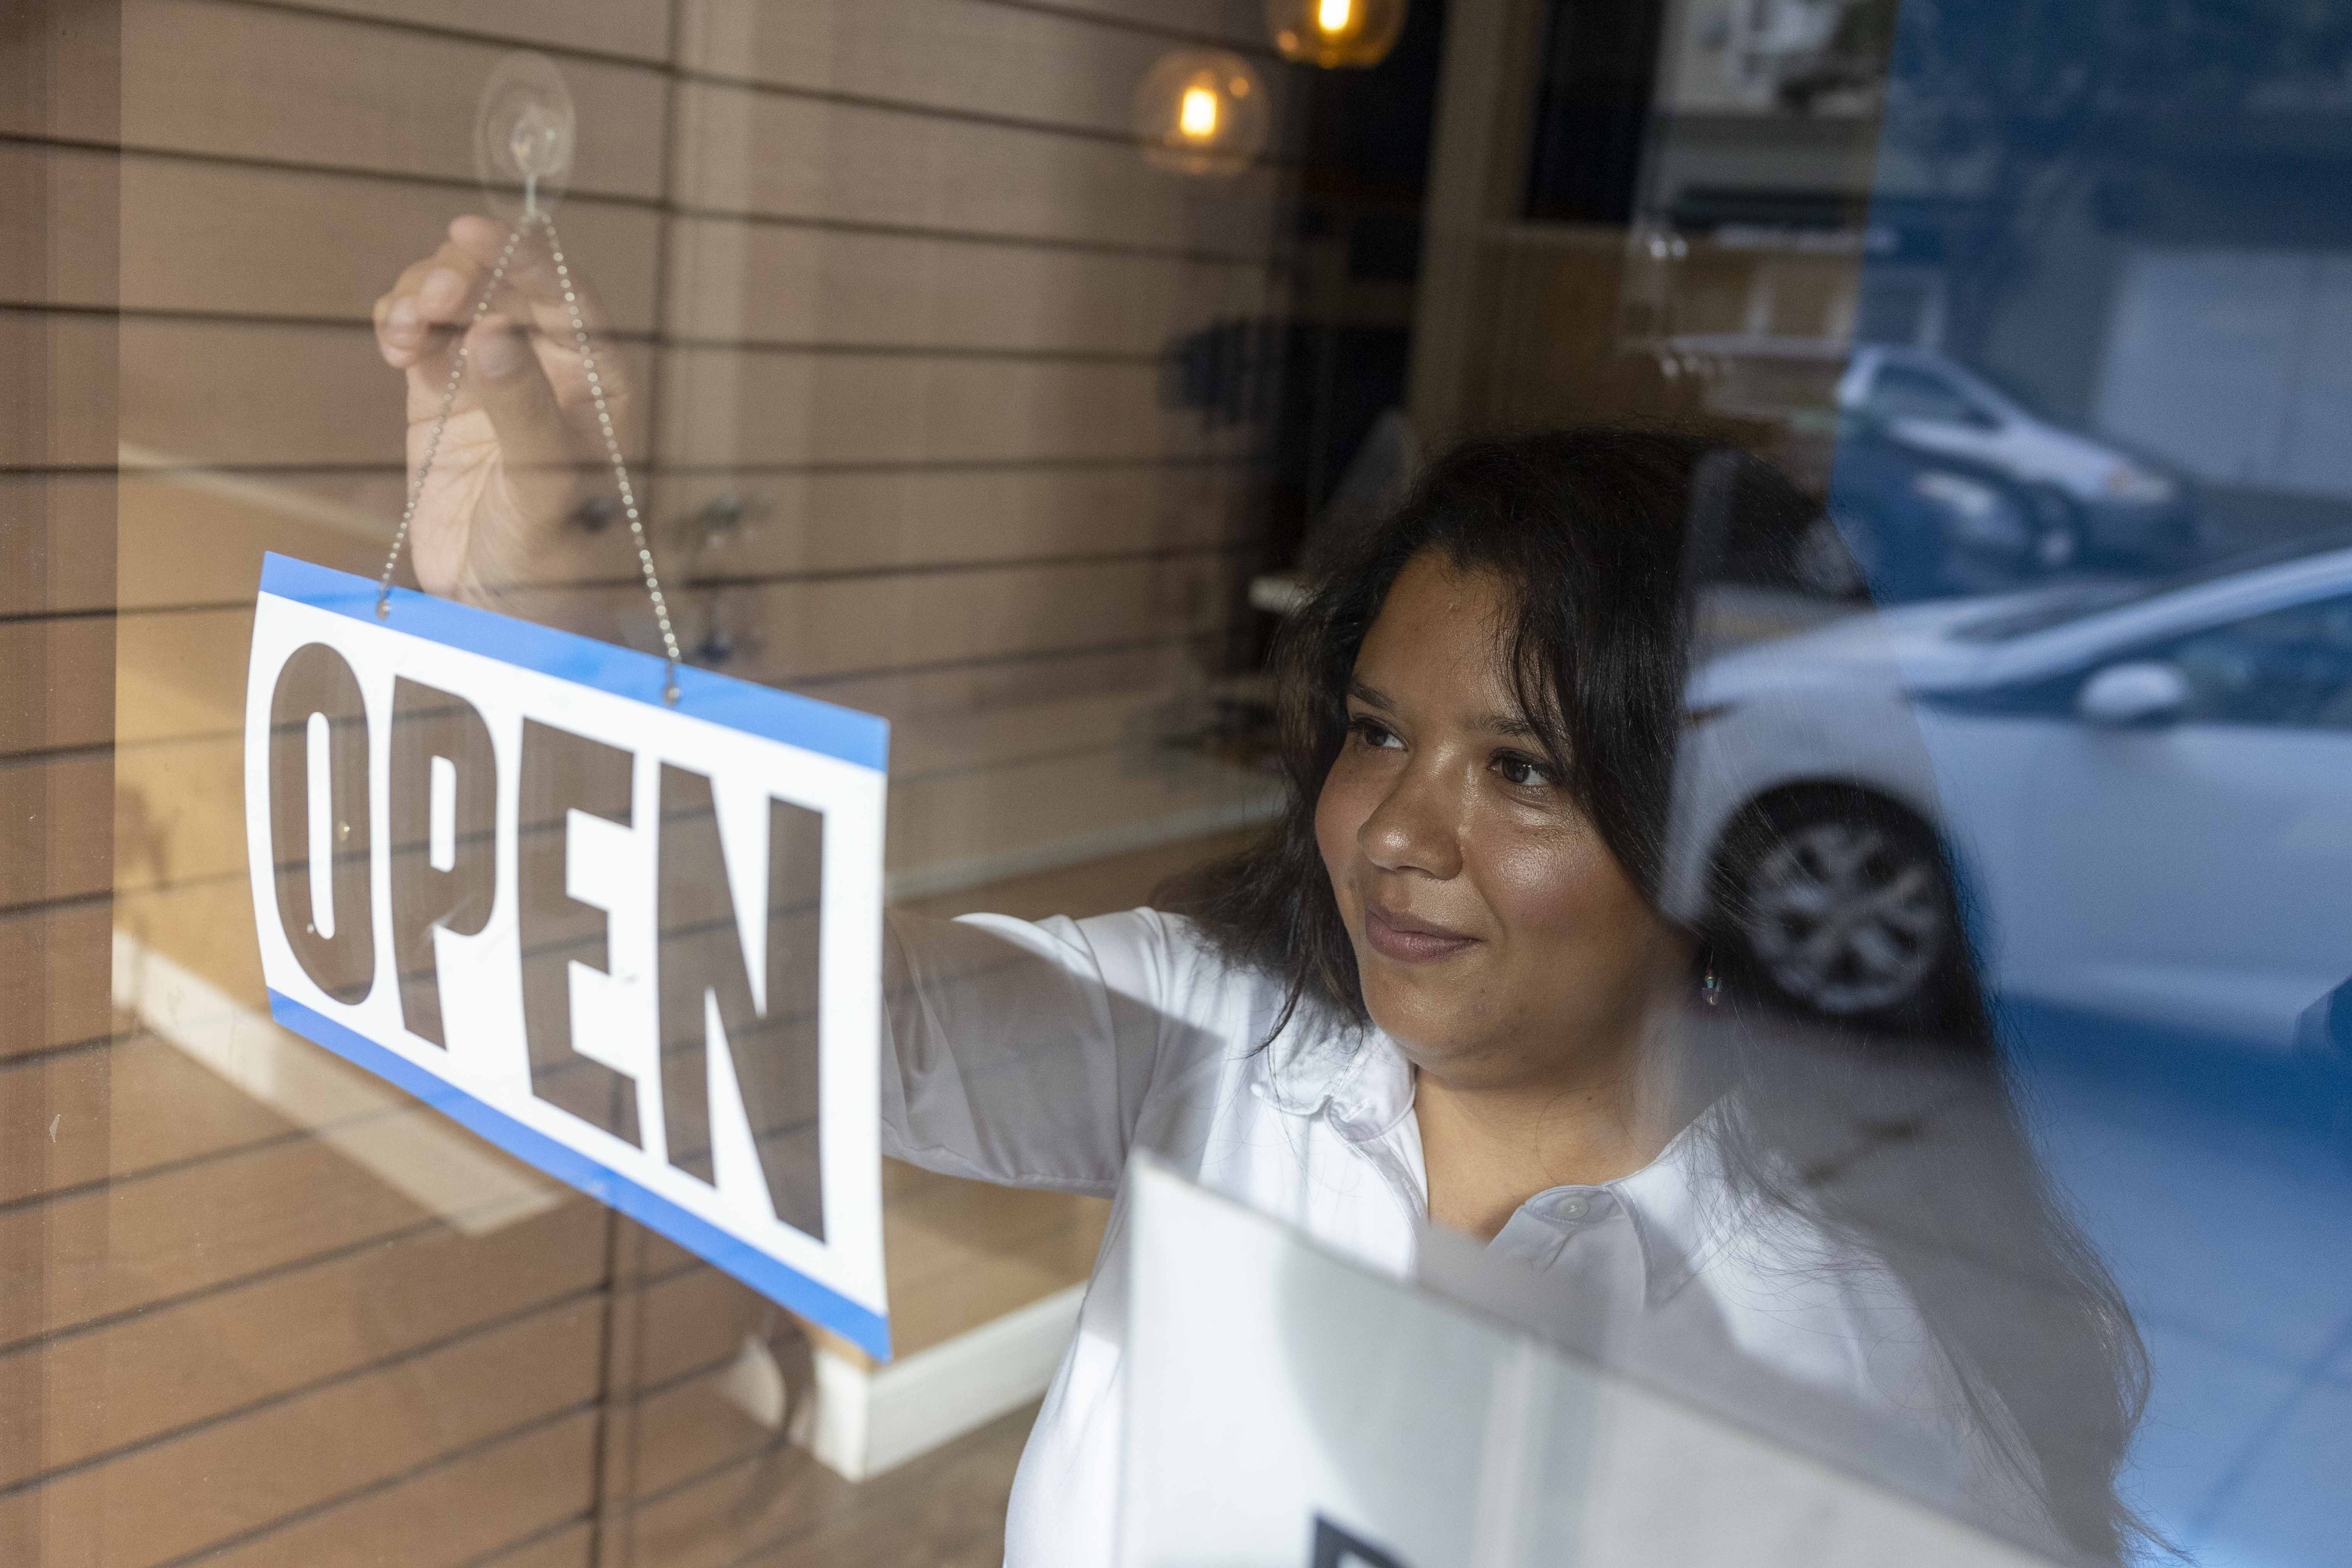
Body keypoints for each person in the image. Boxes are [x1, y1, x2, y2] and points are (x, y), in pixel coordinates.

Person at [376, 222, 2151, 1566]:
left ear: (1723, 843)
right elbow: (770, 1015)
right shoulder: (1223, 1035)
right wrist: (547, 612)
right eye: (1377, 733)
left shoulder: (1847, 1383)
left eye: (1522, 770)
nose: (1396, 829)